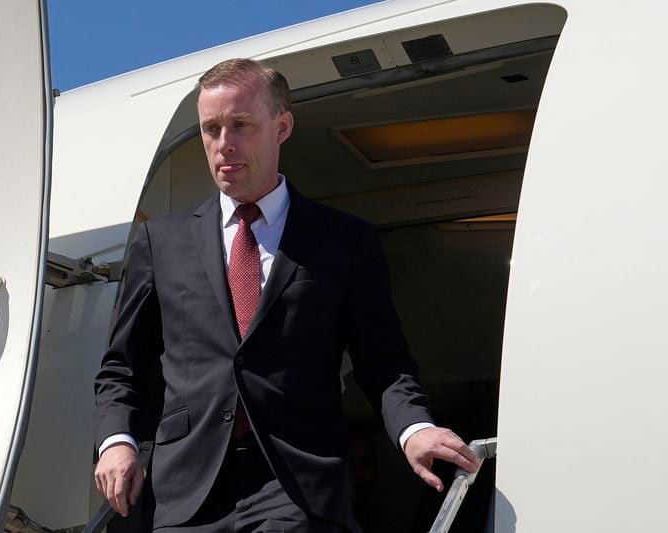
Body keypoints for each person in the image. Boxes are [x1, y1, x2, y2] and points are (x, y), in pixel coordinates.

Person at [93, 58, 479, 532]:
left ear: (282, 126)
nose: (223, 144)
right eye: (210, 129)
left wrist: (414, 429)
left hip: (296, 484)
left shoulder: (343, 241)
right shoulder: (161, 242)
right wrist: (116, 440)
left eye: (240, 125)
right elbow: (122, 367)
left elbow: (384, 362)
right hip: (184, 492)